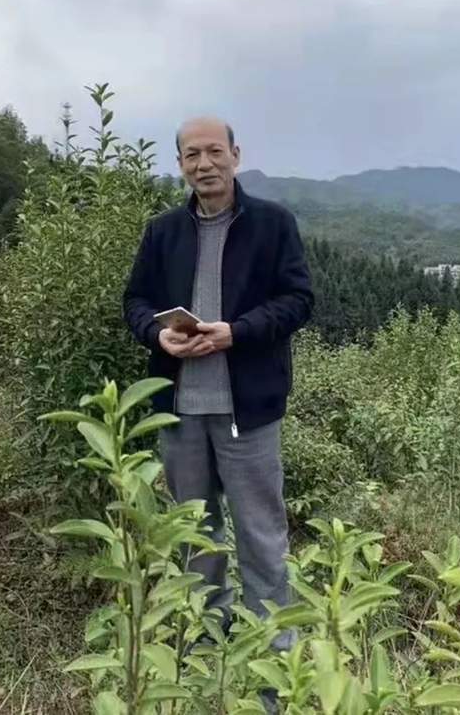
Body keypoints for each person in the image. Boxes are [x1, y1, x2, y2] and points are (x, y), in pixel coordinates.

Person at [123, 116, 314, 642]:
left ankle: (273, 648)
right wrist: (157, 335)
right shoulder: (163, 231)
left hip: (247, 410)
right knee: (193, 531)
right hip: (178, 410)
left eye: (214, 152)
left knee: (260, 531)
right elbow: (135, 300)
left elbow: (299, 300)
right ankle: (207, 636)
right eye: (192, 155)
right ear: (180, 164)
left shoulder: (273, 224)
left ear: (235, 155)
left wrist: (237, 332)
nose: (204, 164)